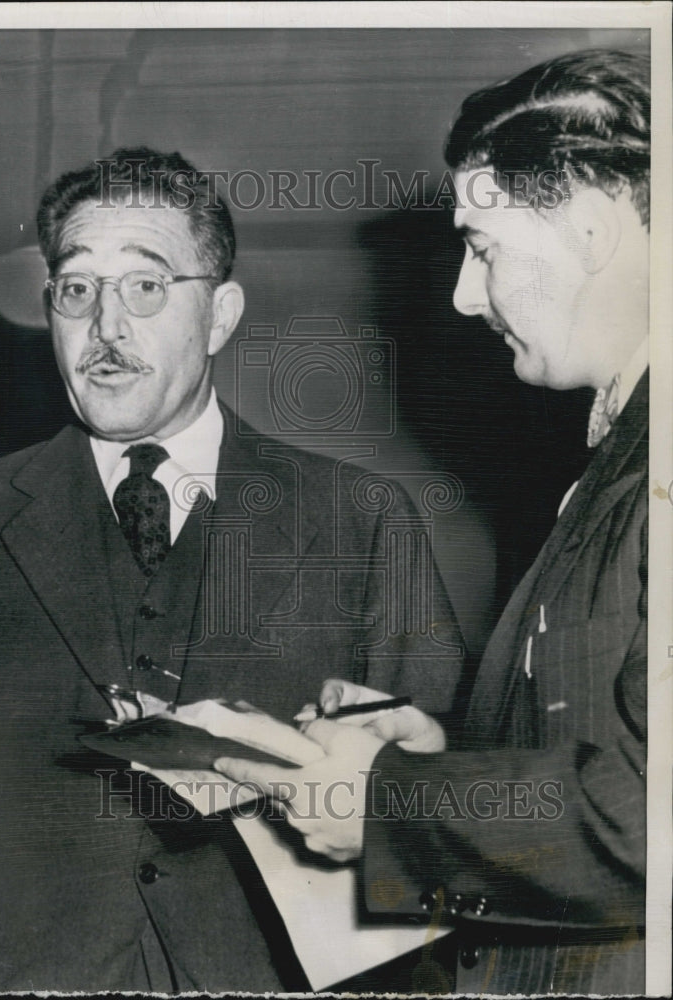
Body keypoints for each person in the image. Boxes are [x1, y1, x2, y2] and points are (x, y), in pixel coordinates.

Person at [0, 147, 463, 992]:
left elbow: (428, 797)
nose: (106, 328)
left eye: (146, 287)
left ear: (219, 316)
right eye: (76, 290)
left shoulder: (361, 519)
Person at [217, 49, 650, 995]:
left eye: (483, 246)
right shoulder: (620, 457)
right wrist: (447, 756)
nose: (462, 293)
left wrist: (387, 804)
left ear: (591, 228)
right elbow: (610, 753)